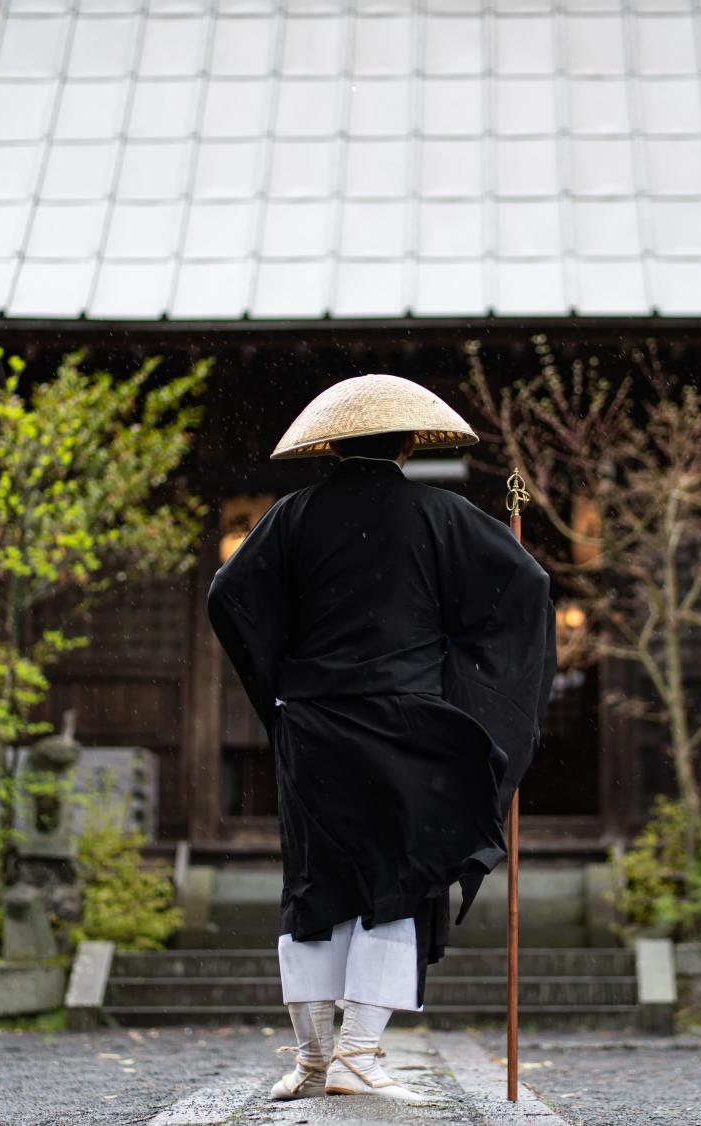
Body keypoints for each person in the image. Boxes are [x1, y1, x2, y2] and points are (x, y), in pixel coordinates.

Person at [208, 374, 554, 1103]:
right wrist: (463, 677)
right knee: (398, 877)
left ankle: (313, 1061)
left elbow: (229, 595)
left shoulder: (292, 515)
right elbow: (523, 587)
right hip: (403, 722)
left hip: (312, 722)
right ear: (409, 445)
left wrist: (282, 684)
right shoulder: (439, 513)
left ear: (332, 446)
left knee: (315, 880)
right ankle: (358, 1054)